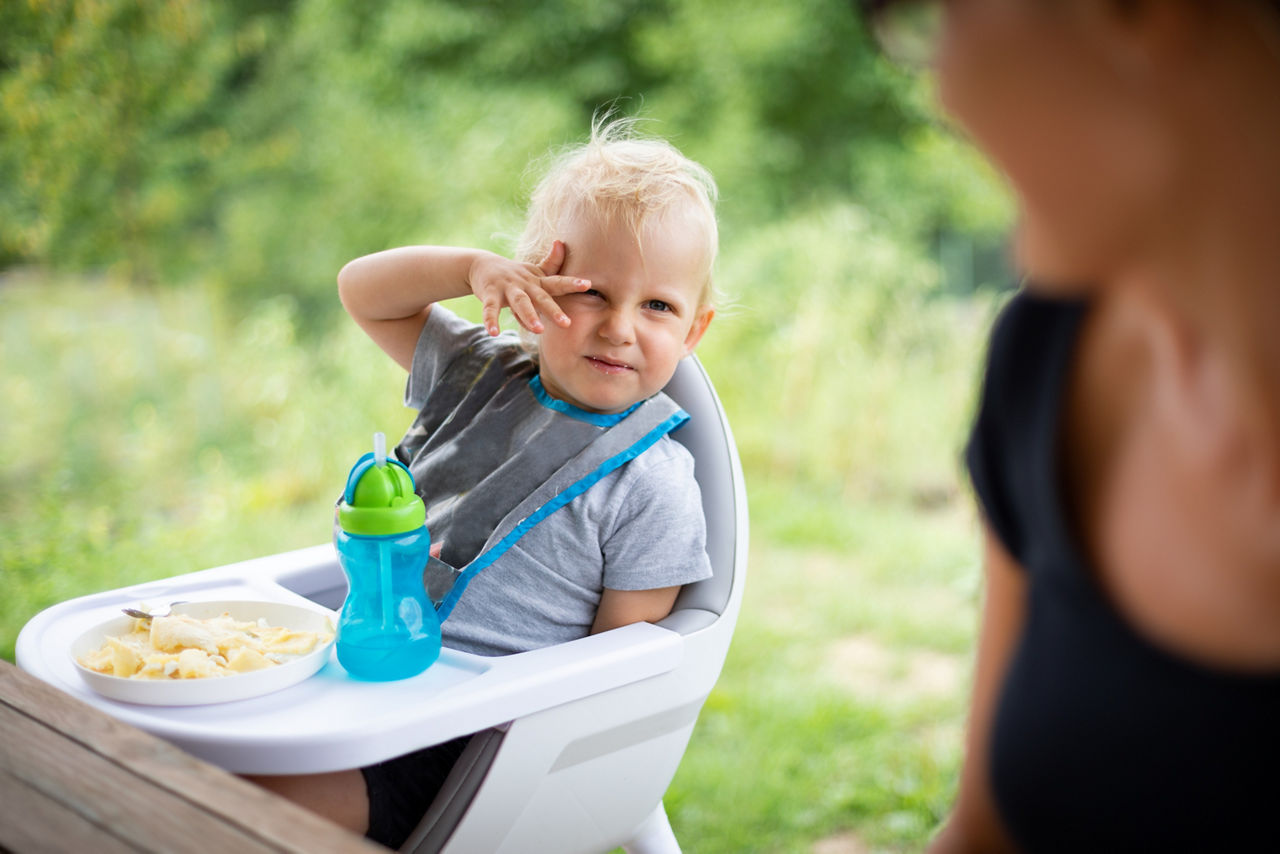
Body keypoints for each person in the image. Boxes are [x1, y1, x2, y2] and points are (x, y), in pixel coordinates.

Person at [859, 0, 1280, 851]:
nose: (940, 90)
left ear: (1137, 15)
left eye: (936, 16)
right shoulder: (1046, 362)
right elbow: (984, 833)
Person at [249, 117, 718, 848]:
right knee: (183, 752)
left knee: (244, 806)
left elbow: (617, 671)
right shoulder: (480, 371)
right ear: (533, 283)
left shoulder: (650, 483)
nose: (620, 326)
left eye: (658, 305)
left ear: (694, 331)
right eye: (591, 291)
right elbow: (363, 292)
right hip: (360, 675)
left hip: (466, 745)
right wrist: (471, 266)